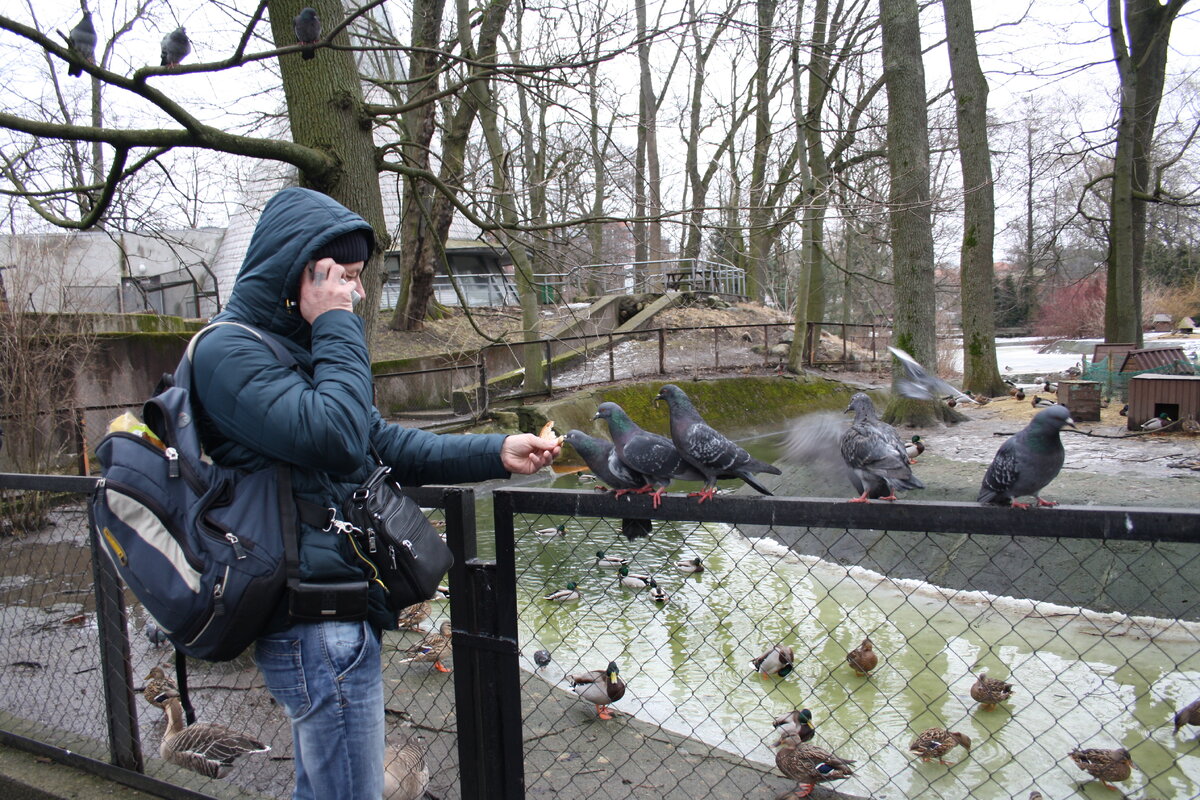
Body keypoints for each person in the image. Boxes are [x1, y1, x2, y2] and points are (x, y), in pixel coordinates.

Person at [190, 186, 559, 799]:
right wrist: (335, 323)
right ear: (304, 274)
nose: (358, 294)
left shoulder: (295, 350)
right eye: (347, 277)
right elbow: (337, 438)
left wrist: (495, 451)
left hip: (339, 615)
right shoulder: (228, 351)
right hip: (311, 625)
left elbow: (377, 441)